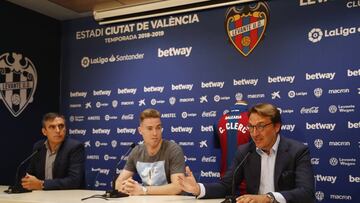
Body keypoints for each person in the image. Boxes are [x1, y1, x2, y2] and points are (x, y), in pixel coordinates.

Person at [179, 103, 315, 203]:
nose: (255, 134)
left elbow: (306, 193)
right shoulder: (245, 151)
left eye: (261, 126)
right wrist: (198, 188)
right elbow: (226, 185)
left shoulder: (297, 151)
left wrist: (268, 198)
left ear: (276, 126)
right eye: (251, 127)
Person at [115, 108, 185, 195]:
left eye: (158, 128)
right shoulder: (136, 152)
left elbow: (178, 187)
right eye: (150, 128)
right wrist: (127, 187)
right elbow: (118, 183)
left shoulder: (173, 150)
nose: (155, 133)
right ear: (140, 130)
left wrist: (143, 190)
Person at [21, 112, 85, 190]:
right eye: (52, 127)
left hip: (66, 196)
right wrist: (28, 181)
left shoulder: (75, 147)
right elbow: (30, 173)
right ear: (44, 132)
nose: (58, 130)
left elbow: (74, 181)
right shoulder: (39, 147)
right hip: (41, 196)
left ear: (65, 129)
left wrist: (42, 184)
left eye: (61, 126)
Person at [214, 99, 251, 194]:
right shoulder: (251, 120)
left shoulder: (219, 120)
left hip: (225, 180)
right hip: (247, 182)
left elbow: (217, 146)